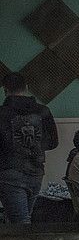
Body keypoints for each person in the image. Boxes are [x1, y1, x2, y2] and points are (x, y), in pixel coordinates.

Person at [0, 72, 58, 223]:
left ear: (5, 90)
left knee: (19, 222)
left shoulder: (2, 113)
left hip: (9, 171)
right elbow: (53, 142)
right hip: (36, 170)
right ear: (26, 87)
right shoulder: (43, 111)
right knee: (24, 219)